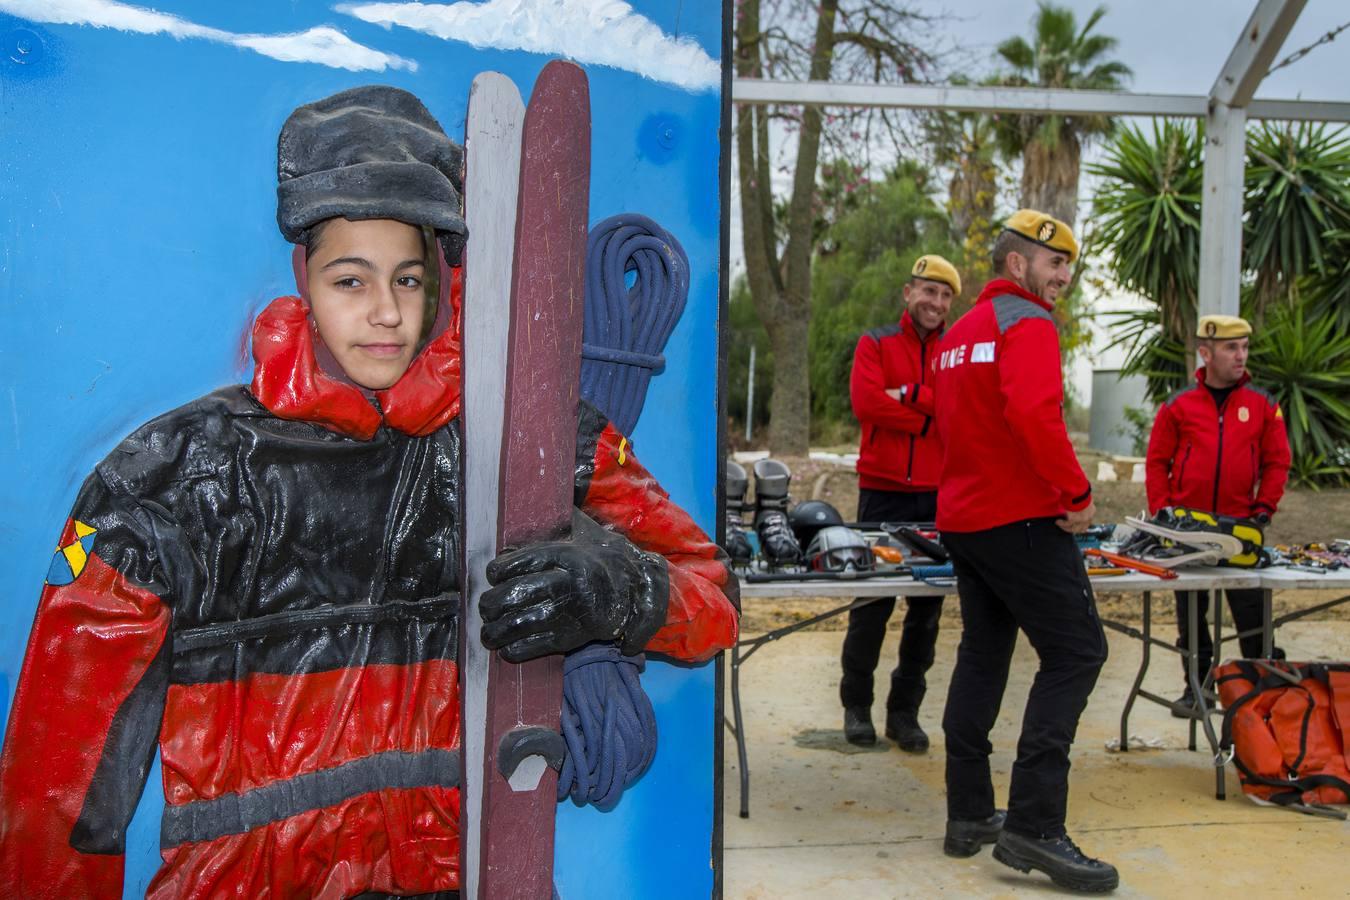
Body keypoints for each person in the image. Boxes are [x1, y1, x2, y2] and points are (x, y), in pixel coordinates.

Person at [0, 86, 739, 899]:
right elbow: (56, 782)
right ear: (303, 279)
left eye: (409, 280)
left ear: (443, 286)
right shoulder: (175, 478)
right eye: (351, 281)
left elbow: (713, 599)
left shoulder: (527, 441)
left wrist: (619, 591)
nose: (386, 312)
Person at [933, 210, 1117, 892]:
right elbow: (1034, 414)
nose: (1064, 277)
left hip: (966, 521)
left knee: (984, 653)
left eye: (1069, 265)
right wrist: (1075, 493)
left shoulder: (958, 334)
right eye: (1055, 263)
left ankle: (971, 813)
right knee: (1077, 653)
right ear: (1019, 265)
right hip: (1022, 520)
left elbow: (956, 426)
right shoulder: (1027, 322)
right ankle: (1034, 828)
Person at [840, 254, 958, 752]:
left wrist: (911, 395)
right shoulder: (876, 342)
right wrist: (929, 416)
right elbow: (867, 403)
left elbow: (961, 410)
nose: (935, 302)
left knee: (926, 612)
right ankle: (857, 707)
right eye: (928, 291)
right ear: (908, 293)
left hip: (937, 494)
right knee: (871, 603)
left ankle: (904, 713)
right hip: (882, 488)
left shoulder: (958, 349)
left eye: (945, 294)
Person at [1144, 314, 1291, 712]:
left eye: (1244, 346)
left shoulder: (1263, 405)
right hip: (1189, 533)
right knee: (1191, 616)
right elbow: (1157, 462)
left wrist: (1264, 508)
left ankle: (1261, 693)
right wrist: (1164, 514)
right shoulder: (1177, 405)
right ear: (1205, 353)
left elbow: (1279, 462)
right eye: (1231, 348)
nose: (1241, 355)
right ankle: (1198, 687)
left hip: (1243, 529)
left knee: (1253, 617)